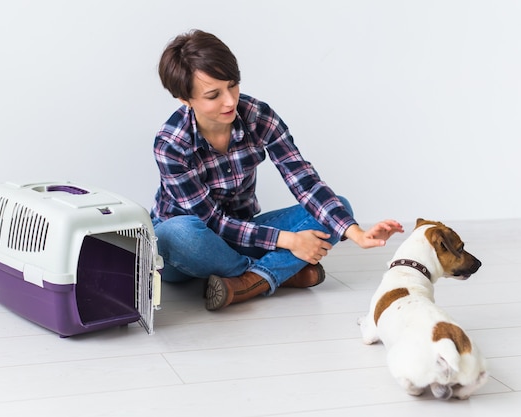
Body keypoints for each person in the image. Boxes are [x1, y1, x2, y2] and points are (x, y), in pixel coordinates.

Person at [150, 29, 403, 311]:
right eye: (213, 95)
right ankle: (270, 274)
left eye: (233, 85)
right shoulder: (171, 144)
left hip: (245, 232)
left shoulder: (257, 115)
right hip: (189, 249)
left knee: (339, 208)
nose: (230, 101)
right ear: (185, 99)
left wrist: (356, 233)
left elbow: (303, 180)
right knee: (177, 232)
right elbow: (212, 222)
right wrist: (290, 241)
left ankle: (248, 280)